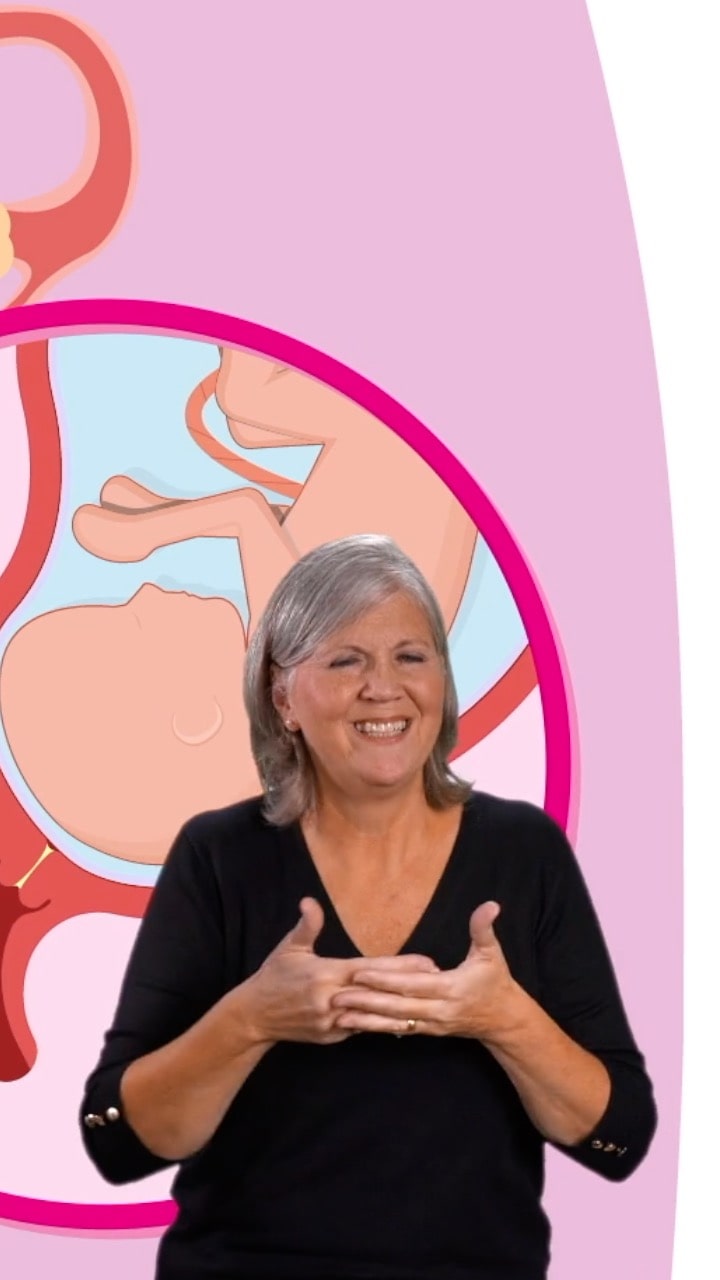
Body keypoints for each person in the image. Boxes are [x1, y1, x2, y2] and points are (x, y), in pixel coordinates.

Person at [80, 534, 656, 1280]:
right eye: (346, 660)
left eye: (411, 657)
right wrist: (252, 1019)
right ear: (282, 697)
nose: (383, 687)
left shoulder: (524, 852)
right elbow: (119, 1144)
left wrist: (503, 1019)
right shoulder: (219, 856)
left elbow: (619, 1138)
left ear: (442, 684)